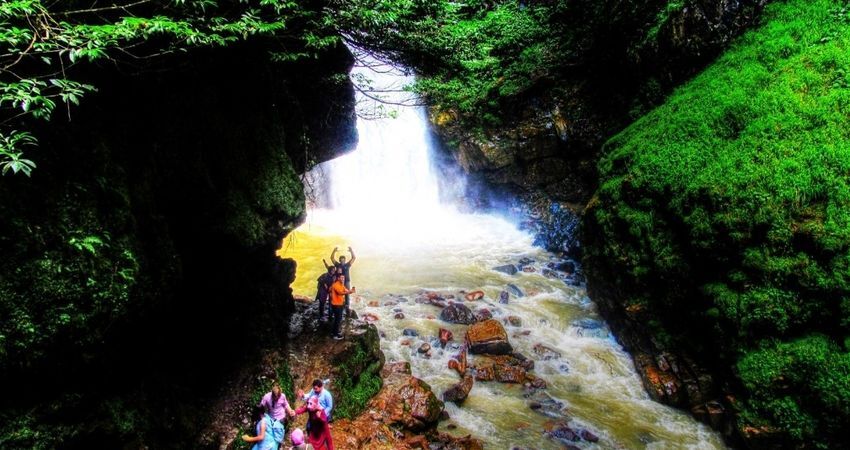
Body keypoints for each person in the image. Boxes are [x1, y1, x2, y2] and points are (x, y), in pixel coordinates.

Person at [330, 246, 356, 314]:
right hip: (339, 282)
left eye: (343, 260)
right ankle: (337, 305)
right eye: (341, 260)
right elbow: (332, 258)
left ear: (345, 260)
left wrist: (351, 250)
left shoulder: (347, 265)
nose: (342, 261)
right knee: (337, 293)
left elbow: (354, 258)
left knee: (347, 294)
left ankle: (347, 307)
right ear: (339, 260)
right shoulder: (337, 265)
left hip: (346, 281)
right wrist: (334, 250)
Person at [329, 274, 355, 340]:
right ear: (338, 278)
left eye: (343, 277)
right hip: (336, 305)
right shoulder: (336, 285)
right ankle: (335, 335)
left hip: (339, 304)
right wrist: (349, 292)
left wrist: (350, 291)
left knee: (338, 319)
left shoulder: (341, 284)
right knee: (337, 320)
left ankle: (335, 332)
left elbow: (345, 290)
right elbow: (340, 293)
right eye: (341, 277)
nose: (343, 279)